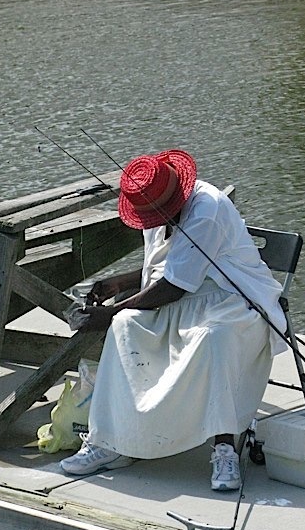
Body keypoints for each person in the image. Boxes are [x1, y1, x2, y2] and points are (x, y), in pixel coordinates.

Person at [60, 149, 287, 491]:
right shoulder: (154, 208)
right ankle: (110, 441)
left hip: (231, 298)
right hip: (179, 294)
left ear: (178, 195)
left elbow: (174, 286)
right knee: (125, 326)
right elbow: (167, 267)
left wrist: (107, 313)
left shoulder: (206, 209)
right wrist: (117, 284)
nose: (154, 223)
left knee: (214, 337)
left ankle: (224, 447)